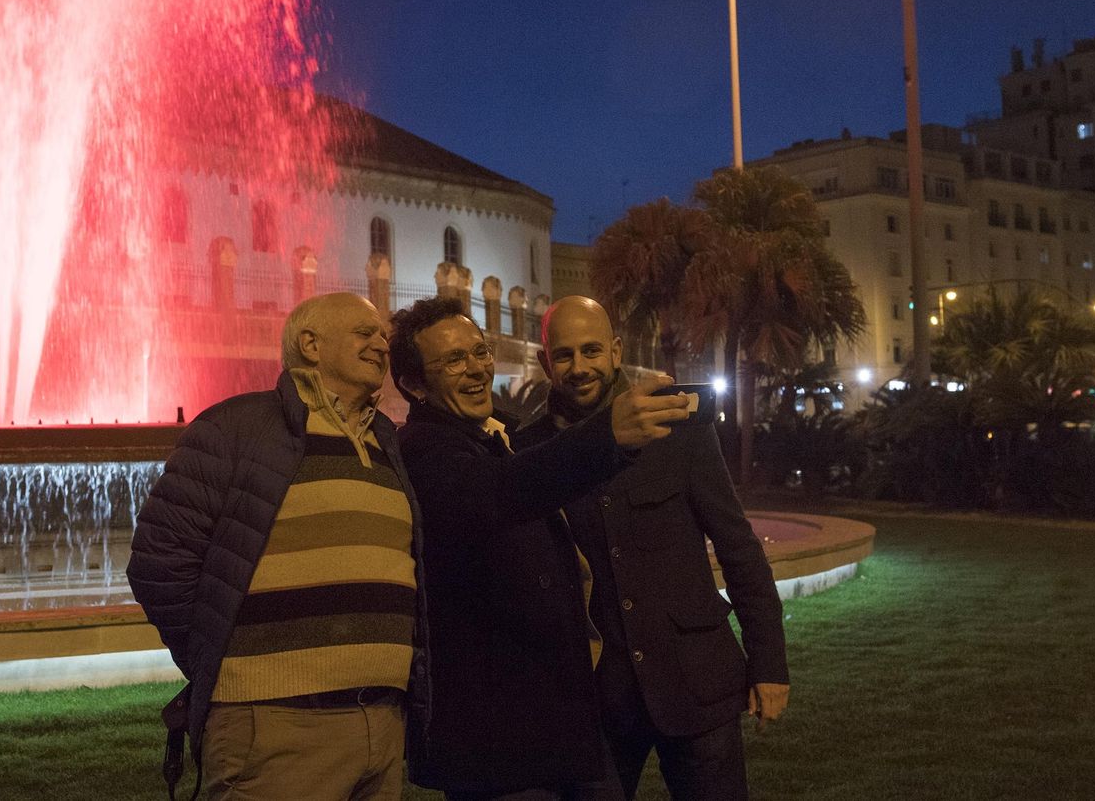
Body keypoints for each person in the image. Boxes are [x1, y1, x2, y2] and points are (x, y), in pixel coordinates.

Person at [127, 292, 427, 801]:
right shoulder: (235, 428)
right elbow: (160, 562)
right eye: (365, 333)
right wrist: (224, 665)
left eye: (383, 336)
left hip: (381, 725)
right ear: (311, 344)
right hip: (275, 726)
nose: (382, 343)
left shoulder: (386, 443)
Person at [388, 295, 690, 801]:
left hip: (553, 723)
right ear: (415, 385)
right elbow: (500, 492)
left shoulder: (497, 433)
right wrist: (606, 436)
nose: (476, 369)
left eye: (479, 351)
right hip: (497, 740)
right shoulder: (423, 449)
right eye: (453, 360)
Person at [515, 296, 789, 801]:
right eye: (566, 355)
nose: (580, 368)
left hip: (697, 683)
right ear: (545, 362)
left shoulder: (678, 429)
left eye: (592, 350)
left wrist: (769, 663)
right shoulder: (526, 449)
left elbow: (738, 548)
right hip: (593, 703)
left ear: (617, 352)